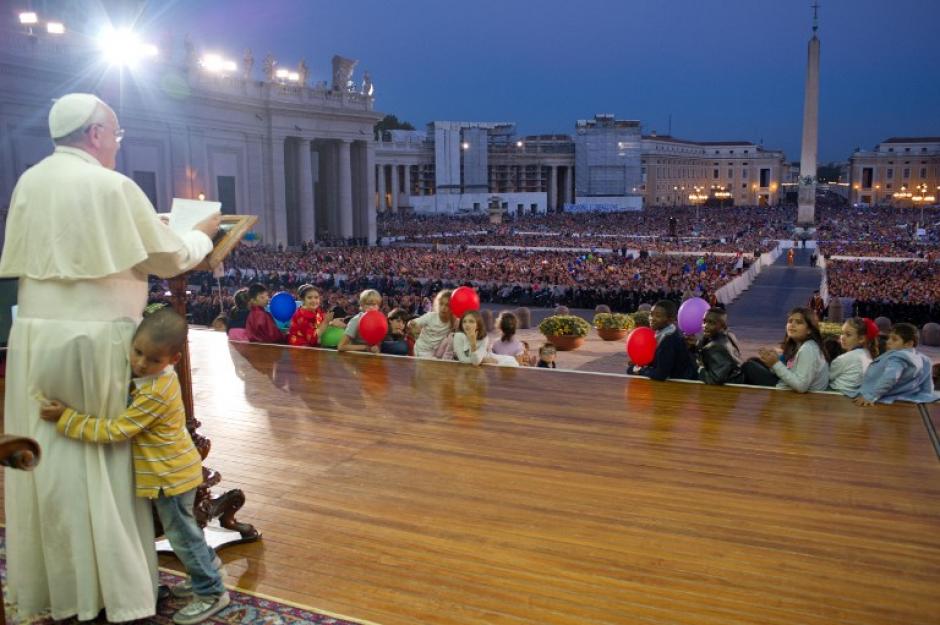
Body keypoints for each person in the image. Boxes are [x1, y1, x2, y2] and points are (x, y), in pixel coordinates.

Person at [0, 93, 219, 622]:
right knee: (101, 461)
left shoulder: (30, 180)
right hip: (95, 341)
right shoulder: (112, 185)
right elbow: (168, 255)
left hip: (34, 337)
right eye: (115, 135)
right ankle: (117, 591)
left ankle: (64, 587)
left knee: (51, 464)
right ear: (96, 133)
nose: (117, 146)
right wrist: (200, 233)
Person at [37, 309, 230, 624]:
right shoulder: (154, 379)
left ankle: (211, 591)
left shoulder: (155, 392)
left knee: (181, 536)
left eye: (152, 359)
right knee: (186, 531)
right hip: (173, 470)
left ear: (174, 360)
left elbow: (117, 431)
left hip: (170, 476)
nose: (140, 363)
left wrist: (67, 418)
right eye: (137, 352)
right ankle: (206, 573)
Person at [745, 307, 830, 392]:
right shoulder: (800, 346)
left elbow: (801, 386)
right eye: (790, 321)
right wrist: (772, 363)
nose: (792, 325)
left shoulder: (808, 348)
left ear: (809, 330)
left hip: (800, 398)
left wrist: (775, 364)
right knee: (754, 361)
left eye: (799, 322)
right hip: (787, 387)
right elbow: (791, 373)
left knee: (749, 367)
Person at [852, 323, 938, 406]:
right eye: (889, 338)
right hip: (911, 401)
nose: (888, 342)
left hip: (884, 400)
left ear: (909, 344)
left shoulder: (898, 357)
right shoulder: (925, 360)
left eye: (894, 339)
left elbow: (890, 377)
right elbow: (927, 389)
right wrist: (927, 399)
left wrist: (871, 396)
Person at [628, 300, 697, 381]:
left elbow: (660, 375)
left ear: (670, 319)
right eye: (651, 314)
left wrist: (639, 370)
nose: (652, 318)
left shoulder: (669, 340)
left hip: (682, 383)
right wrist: (640, 362)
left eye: (657, 316)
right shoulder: (667, 331)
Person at [693, 308, 745, 385]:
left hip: (726, 390)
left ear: (723, 325)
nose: (705, 326)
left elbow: (714, 379)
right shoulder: (730, 335)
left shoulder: (715, 347)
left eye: (711, 323)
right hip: (736, 382)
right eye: (704, 321)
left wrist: (700, 368)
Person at [828, 317, 876, 396]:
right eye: (842, 333)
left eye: (848, 335)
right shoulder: (867, 353)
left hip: (838, 393)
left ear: (861, 339)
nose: (842, 337)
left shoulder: (845, 358)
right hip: (854, 393)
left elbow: (828, 376)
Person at [412, 289, 456, 358]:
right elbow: (413, 322)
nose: (443, 308)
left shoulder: (453, 321)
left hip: (435, 352)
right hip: (421, 350)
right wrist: (412, 325)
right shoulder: (430, 316)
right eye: (441, 304)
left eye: (447, 305)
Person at [338, 289, 382, 353]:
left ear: (378, 306)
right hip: (356, 358)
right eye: (368, 304)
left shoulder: (380, 320)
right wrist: (366, 347)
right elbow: (341, 346)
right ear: (362, 305)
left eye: (374, 304)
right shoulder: (356, 320)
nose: (371, 307)